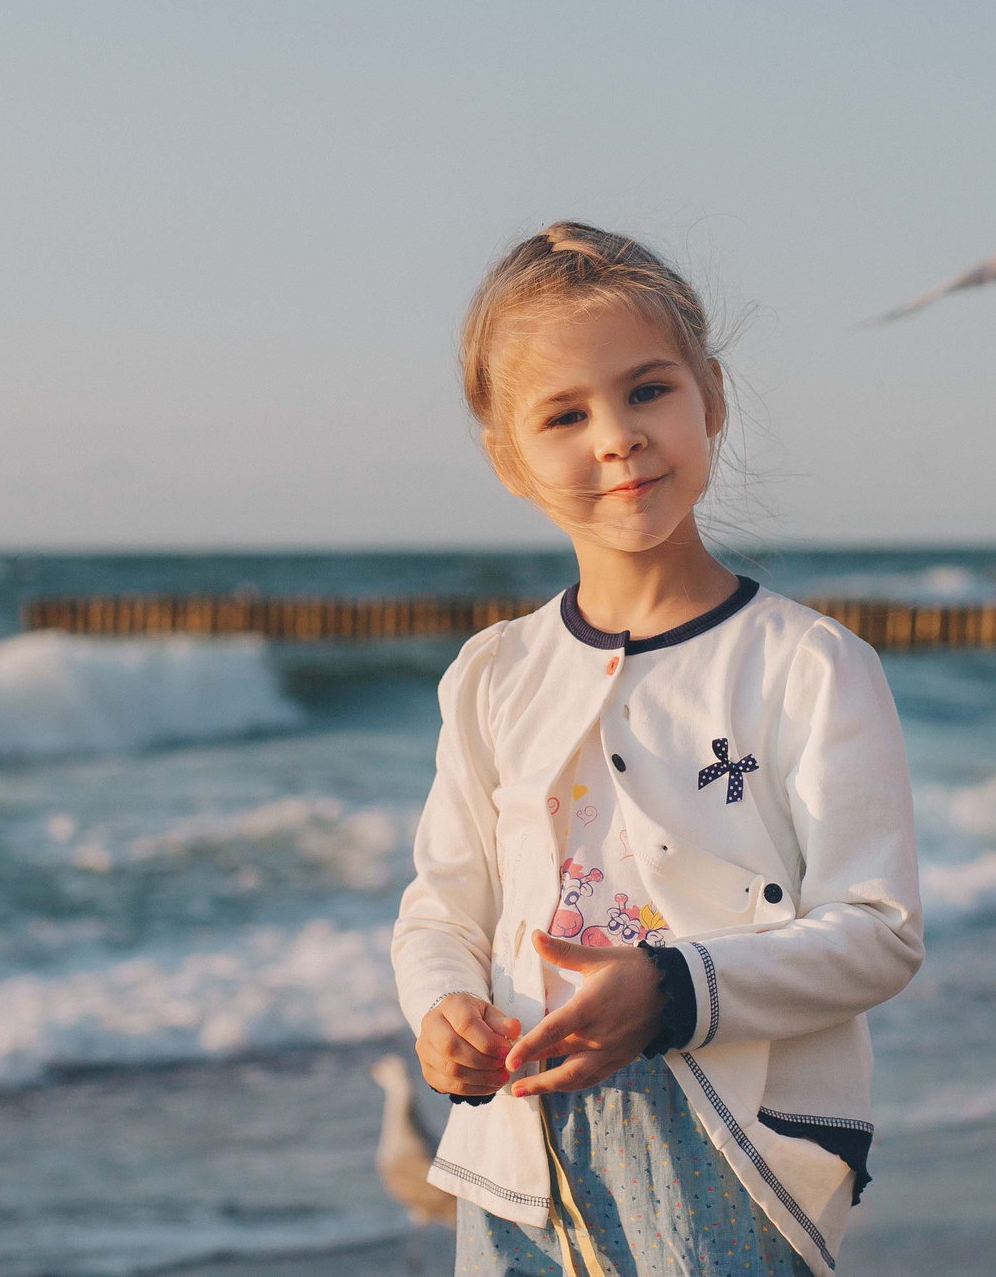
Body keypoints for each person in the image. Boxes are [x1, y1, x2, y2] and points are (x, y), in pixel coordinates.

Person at [392, 223, 924, 1275]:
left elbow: (879, 931)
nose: (616, 437)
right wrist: (441, 1009)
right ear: (508, 457)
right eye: (563, 414)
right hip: (516, 1152)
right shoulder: (494, 674)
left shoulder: (809, 664)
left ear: (710, 398)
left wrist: (670, 991)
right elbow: (440, 902)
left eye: (647, 391)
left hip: (733, 1147)